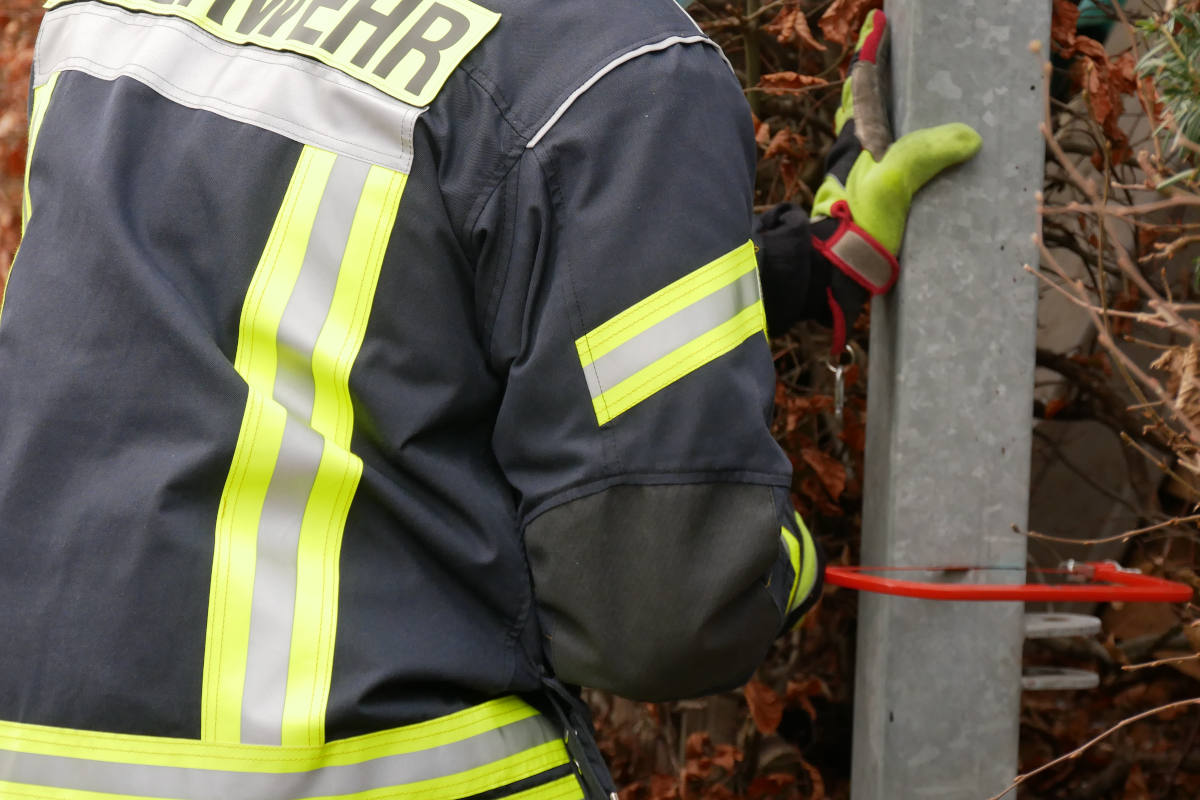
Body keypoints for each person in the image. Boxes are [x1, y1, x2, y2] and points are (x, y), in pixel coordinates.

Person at [0, 1, 978, 798]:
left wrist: (796, 269)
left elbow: (344, 284)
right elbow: (663, 608)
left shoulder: (119, 15)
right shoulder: (613, 66)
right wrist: (778, 560)